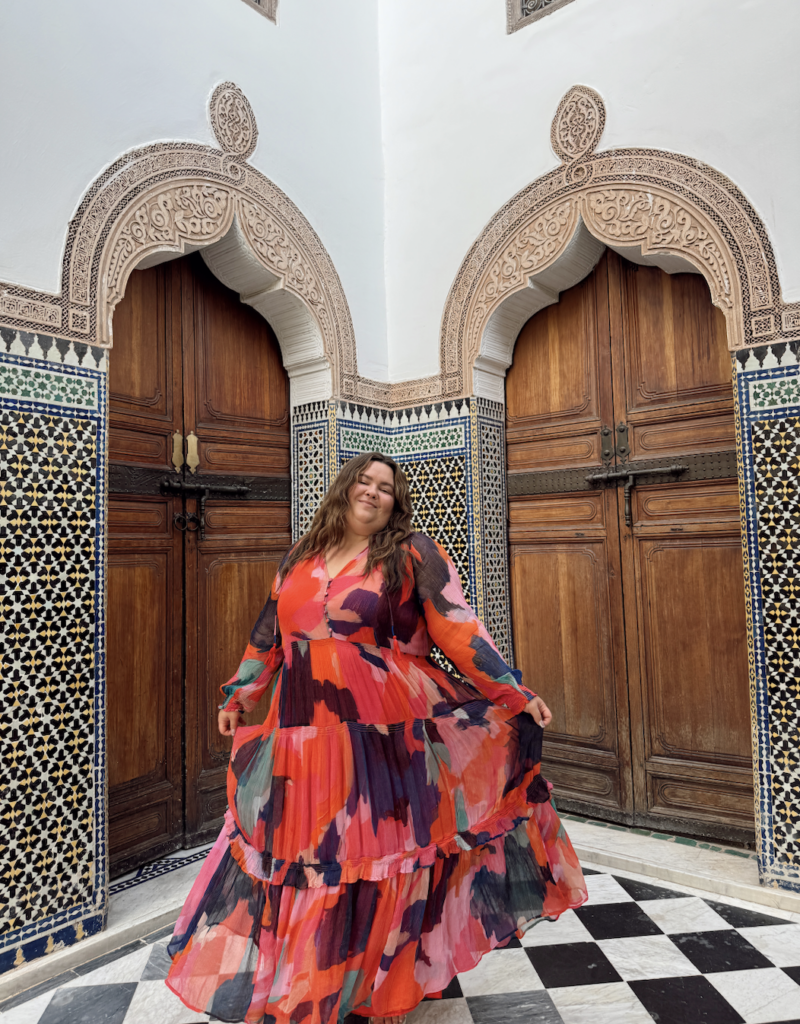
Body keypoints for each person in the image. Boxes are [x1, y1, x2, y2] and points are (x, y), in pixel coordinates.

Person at [166, 451, 587, 1024]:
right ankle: (317, 985)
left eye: (385, 488)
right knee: (315, 856)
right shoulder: (300, 556)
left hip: (384, 734)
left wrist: (511, 690)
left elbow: (456, 624)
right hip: (303, 736)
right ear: (343, 489)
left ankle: (379, 988)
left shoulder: (412, 553)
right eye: (363, 481)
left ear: (395, 502)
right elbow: (269, 633)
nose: (372, 492)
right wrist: (241, 694)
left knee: (379, 856)